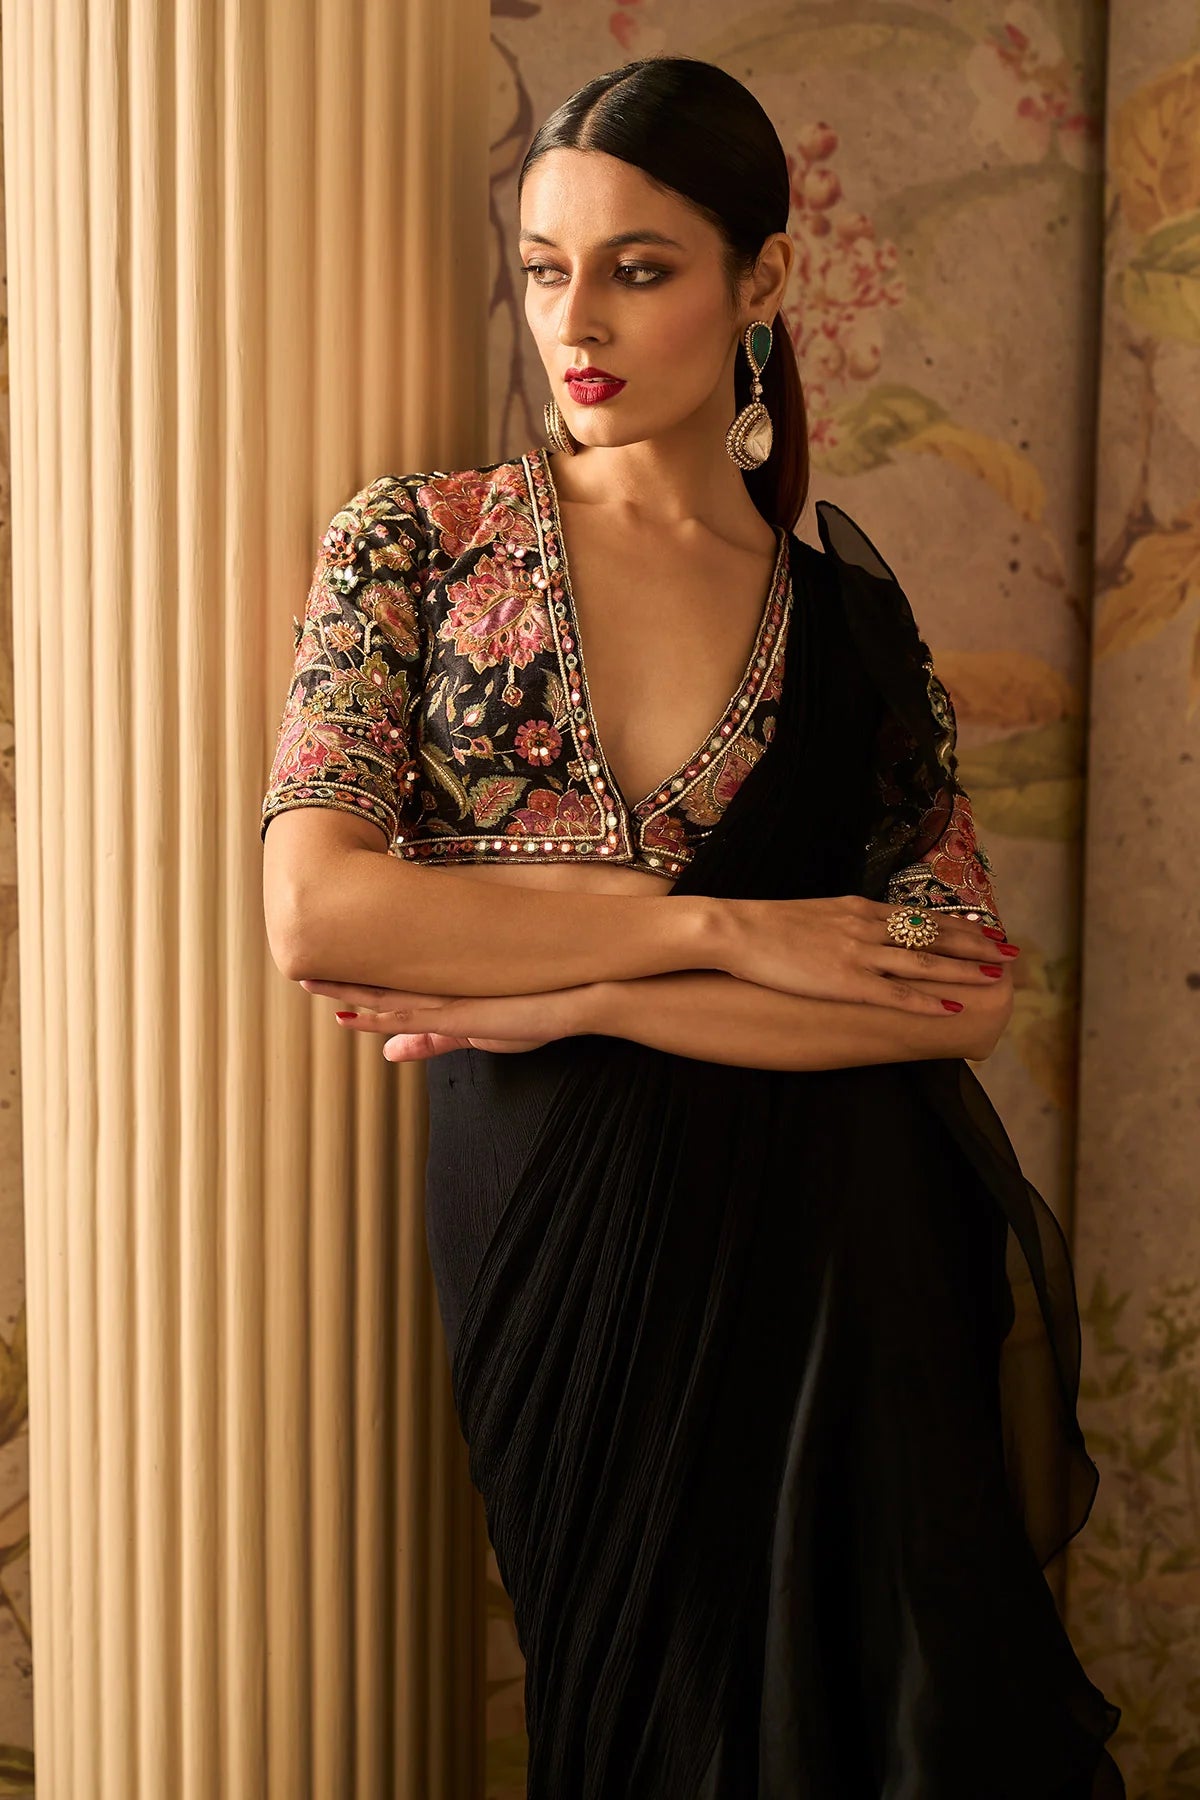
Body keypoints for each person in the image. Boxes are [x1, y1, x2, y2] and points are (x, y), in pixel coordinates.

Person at [260, 54, 1125, 1800]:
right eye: (544, 268)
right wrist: (718, 937)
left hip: (839, 1252)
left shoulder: (846, 622)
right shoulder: (420, 548)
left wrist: (568, 993)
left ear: (761, 281)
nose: (575, 322)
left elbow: (954, 996)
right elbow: (319, 908)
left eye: (638, 268)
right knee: (624, 1710)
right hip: (555, 1226)